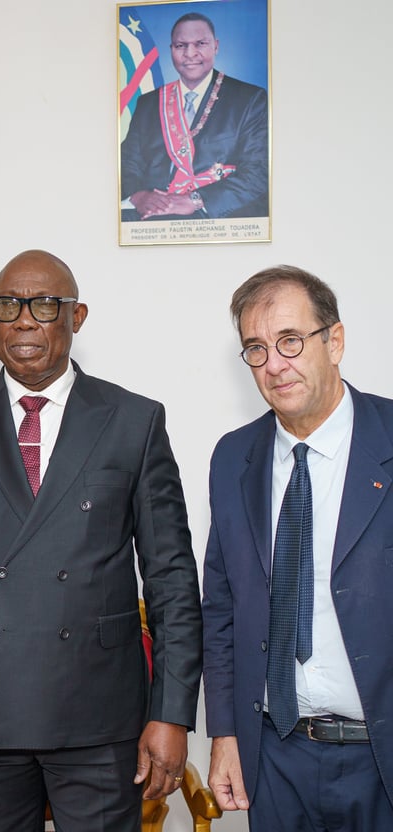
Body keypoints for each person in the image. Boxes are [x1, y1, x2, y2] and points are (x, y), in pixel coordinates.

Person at [0, 249, 202, 832]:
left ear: (77, 317)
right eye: (8, 305)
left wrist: (173, 714)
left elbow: (171, 579)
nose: (24, 320)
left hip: (99, 715)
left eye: (44, 305)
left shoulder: (133, 420)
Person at [202, 265, 393, 830]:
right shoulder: (233, 457)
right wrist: (225, 733)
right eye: (256, 349)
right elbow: (220, 609)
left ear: (333, 340)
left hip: (380, 756)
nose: (275, 364)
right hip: (276, 756)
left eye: (290, 340)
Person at [120, 12, 268, 221]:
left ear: (215, 46)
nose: (190, 53)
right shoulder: (149, 102)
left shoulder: (249, 99)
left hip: (215, 214)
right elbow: (128, 161)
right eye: (181, 46)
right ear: (171, 50)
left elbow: (258, 172)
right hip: (150, 214)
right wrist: (138, 195)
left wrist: (196, 199)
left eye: (200, 43)